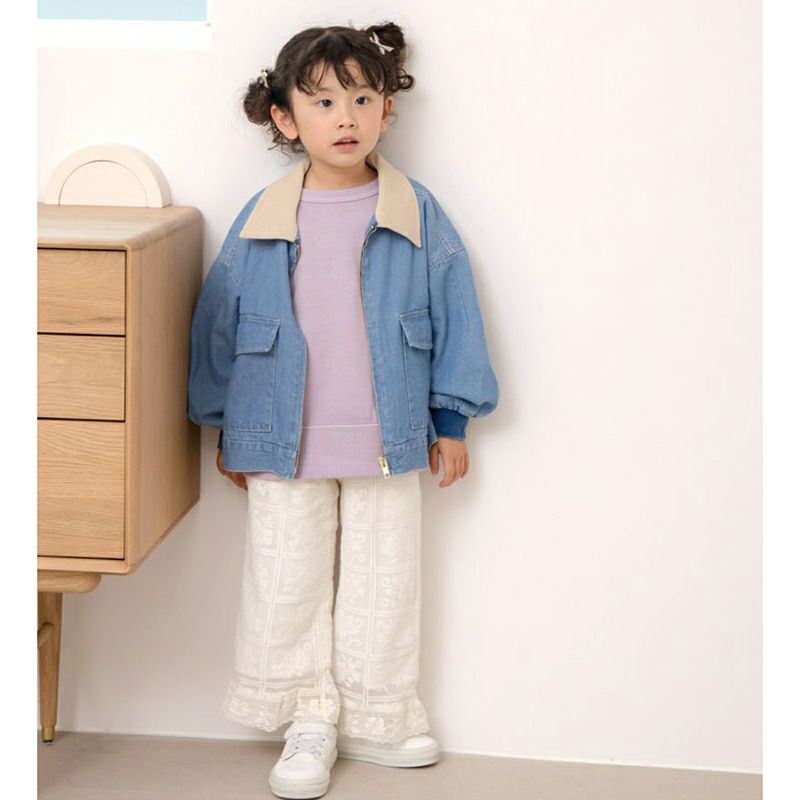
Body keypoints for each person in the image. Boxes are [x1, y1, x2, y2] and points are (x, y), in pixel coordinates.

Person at [187, 20, 500, 800]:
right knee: (284, 579)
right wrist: (226, 427)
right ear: (285, 118)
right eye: (323, 101)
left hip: (389, 436)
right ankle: (306, 717)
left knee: (385, 579)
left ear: (387, 110)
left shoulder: (417, 213)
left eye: (363, 99)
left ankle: (379, 714)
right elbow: (220, 322)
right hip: (280, 439)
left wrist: (452, 422)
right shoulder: (264, 216)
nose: (346, 117)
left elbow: (455, 312)